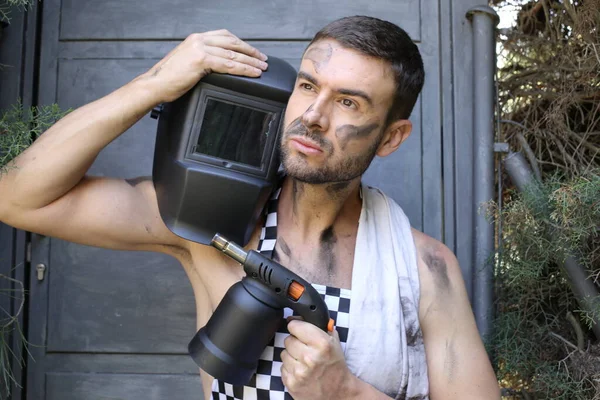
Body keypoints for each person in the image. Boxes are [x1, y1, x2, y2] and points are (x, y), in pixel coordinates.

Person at [0, 15, 500, 400]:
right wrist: (154, 82)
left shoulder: (424, 269)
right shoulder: (209, 223)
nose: (313, 116)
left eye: (348, 102)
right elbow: (17, 196)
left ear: (392, 137)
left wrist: (345, 390)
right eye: (307, 86)